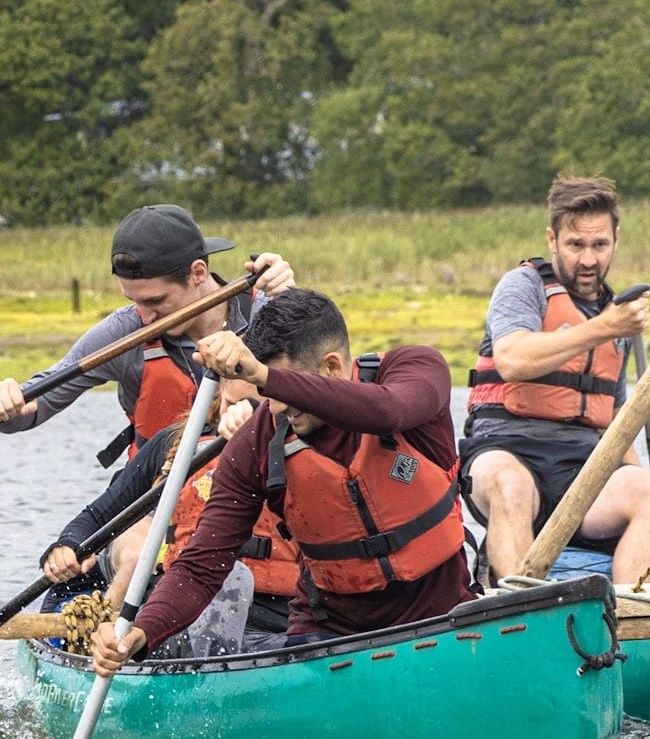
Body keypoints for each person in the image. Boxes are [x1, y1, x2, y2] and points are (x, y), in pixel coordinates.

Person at [90, 289, 473, 674]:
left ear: (333, 367)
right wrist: (140, 632)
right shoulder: (256, 443)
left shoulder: (414, 369)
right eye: (265, 392)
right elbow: (201, 567)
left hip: (442, 618)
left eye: (280, 387)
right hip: (329, 639)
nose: (275, 406)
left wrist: (262, 375)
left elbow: (389, 411)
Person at [458, 176, 650, 583]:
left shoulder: (616, 315)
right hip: (503, 452)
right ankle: (521, 618)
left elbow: (615, 423)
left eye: (599, 245)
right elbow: (511, 359)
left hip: (581, 471)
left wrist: (646, 497)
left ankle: (624, 624)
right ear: (552, 239)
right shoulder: (524, 286)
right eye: (575, 245)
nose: (588, 260)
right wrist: (602, 328)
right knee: (512, 487)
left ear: (616, 239)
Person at [0, 204, 296, 464]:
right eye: (134, 301)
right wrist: (4, 409)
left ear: (198, 273)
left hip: (258, 495)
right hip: (154, 498)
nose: (144, 316)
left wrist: (289, 298)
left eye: (156, 300)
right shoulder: (122, 333)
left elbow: (321, 393)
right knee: (130, 546)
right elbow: (34, 406)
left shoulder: (266, 308)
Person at [39, 402, 303, 649]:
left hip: (276, 620)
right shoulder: (175, 442)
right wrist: (67, 544)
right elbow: (99, 514)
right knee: (219, 575)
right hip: (179, 613)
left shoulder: (305, 441)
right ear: (221, 380)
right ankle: (102, 639)